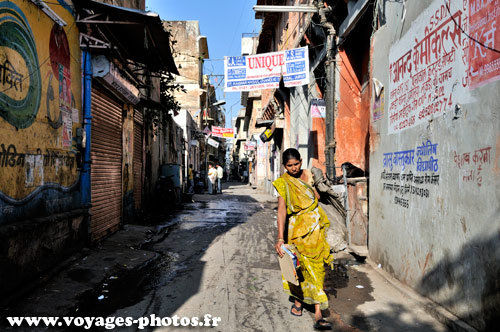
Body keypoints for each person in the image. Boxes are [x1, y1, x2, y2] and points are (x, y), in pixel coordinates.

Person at [272, 148, 333, 331]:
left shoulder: (311, 175)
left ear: (301, 160)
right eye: (289, 166)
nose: (293, 168)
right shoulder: (283, 182)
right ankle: (298, 300)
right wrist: (280, 238)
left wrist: (319, 184)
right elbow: (282, 210)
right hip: (296, 229)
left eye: (296, 164)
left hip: (315, 227)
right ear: (284, 166)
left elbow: (318, 197)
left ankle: (318, 312)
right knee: (298, 267)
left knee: (317, 267)